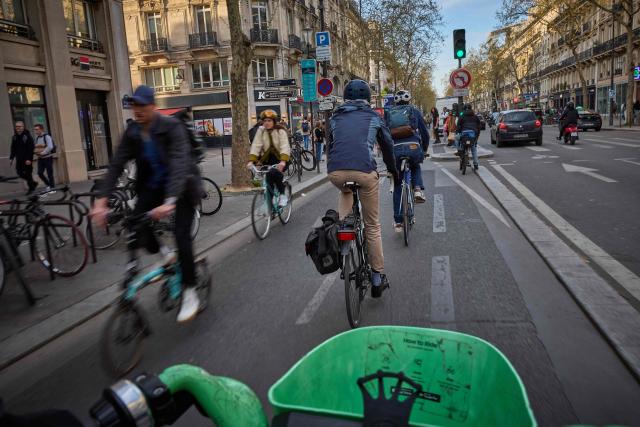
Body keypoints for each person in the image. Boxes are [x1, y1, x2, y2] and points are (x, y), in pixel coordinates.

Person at [91, 85, 203, 323]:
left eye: (142, 105)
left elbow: (179, 164)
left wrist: (170, 201)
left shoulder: (171, 127)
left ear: (153, 106)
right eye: (135, 105)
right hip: (152, 188)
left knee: (182, 237)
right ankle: (164, 254)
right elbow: (116, 165)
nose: (138, 110)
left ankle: (190, 291)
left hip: (182, 187)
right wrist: (101, 201)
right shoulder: (132, 132)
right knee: (135, 224)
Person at [326, 79, 397, 298]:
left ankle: (343, 226)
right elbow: (387, 146)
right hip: (365, 172)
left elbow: (331, 146)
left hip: (336, 173)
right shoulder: (375, 116)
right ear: (367, 98)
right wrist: (394, 171)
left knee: (345, 191)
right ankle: (377, 278)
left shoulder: (335, 117)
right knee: (372, 226)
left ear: (345, 98)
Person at [385, 90, 430, 232]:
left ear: (395, 101)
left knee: (398, 184)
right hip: (413, 146)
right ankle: (417, 188)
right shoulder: (414, 111)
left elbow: (384, 134)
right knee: (416, 165)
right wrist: (424, 149)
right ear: (408, 100)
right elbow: (424, 133)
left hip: (395, 149)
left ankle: (398, 222)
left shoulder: (388, 112)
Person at [246, 109, 291, 207]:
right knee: (266, 181)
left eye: (269, 121)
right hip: (267, 159)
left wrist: (283, 161)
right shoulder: (261, 131)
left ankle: (283, 196)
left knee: (274, 173)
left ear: (274, 121)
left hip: (281, 158)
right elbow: (256, 145)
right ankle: (269, 205)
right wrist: (251, 161)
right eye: (265, 121)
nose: (266, 123)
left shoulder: (280, 131)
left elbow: (284, 146)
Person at [10, 121, 37, 194]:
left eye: (19, 126)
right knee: (19, 173)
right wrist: (11, 158)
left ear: (23, 127)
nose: (18, 128)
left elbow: (31, 148)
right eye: (16, 126)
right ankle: (33, 183)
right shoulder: (14, 137)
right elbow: (13, 148)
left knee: (28, 173)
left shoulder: (27, 136)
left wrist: (28, 158)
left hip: (27, 159)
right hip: (19, 159)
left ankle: (31, 188)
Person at [455, 104, 482, 170]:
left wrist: (457, 132)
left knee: (456, 139)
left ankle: (459, 151)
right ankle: (475, 164)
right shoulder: (475, 116)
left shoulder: (462, 116)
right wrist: (477, 135)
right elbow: (479, 126)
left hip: (464, 134)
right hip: (472, 135)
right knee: (473, 148)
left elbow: (458, 126)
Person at [33, 124, 56, 191]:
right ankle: (48, 184)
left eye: (37, 129)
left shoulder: (47, 137)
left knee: (49, 173)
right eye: (35, 129)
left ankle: (52, 188)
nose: (36, 131)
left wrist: (42, 153)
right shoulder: (37, 138)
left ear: (41, 129)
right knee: (40, 173)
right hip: (40, 158)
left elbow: (50, 147)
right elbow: (37, 147)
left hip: (48, 157)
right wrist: (37, 152)